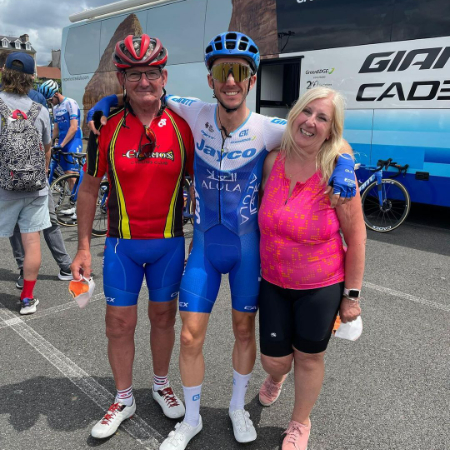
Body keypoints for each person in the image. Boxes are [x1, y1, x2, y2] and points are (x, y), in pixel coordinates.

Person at [87, 32, 356, 450]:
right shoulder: (192, 113)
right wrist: (108, 102)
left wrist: (344, 161)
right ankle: (191, 418)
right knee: (190, 335)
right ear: (210, 79)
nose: (230, 81)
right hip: (205, 249)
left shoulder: (269, 129)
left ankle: (236, 407)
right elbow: (146, 90)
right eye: (221, 73)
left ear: (251, 80)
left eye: (239, 73)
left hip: (247, 251)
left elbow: (322, 132)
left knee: (243, 331)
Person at [70, 34, 194, 440]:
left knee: (163, 319)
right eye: (135, 74)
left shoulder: (183, 126)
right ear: (122, 78)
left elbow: (202, 184)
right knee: (118, 324)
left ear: (164, 76)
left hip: (169, 245)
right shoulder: (104, 127)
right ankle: (124, 398)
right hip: (122, 246)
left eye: (152, 72)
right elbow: (88, 189)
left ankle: (160, 384)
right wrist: (84, 246)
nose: (145, 81)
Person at [257, 87, 366, 450]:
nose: (311, 122)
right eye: (308, 112)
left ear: (332, 130)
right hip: (273, 281)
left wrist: (351, 297)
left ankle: (299, 423)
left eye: (323, 118)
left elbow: (357, 238)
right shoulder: (272, 161)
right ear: (295, 114)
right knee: (274, 361)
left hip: (321, 285)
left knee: (309, 357)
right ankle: (277, 378)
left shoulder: (338, 172)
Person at [0, 52, 52, 315]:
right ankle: (27, 299)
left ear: (4, 72)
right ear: (31, 78)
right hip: (35, 187)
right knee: (32, 243)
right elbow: (46, 150)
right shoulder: (40, 110)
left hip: (3, 187)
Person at [9, 80, 72, 289]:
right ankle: (65, 267)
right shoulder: (37, 99)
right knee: (50, 222)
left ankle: (22, 270)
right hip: (37, 178)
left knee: (17, 226)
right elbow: (47, 147)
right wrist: (44, 171)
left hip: (7, 178)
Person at [41, 80, 83, 220]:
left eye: (50, 99)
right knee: (67, 175)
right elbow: (57, 129)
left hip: (73, 140)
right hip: (64, 141)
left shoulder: (70, 103)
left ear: (56, 94)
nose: (50, 102)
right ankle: (74, 205)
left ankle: (80, 207)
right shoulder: (56, 107)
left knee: (72, 175)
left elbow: (73, 127)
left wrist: (62, 143)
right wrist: (50, 142)